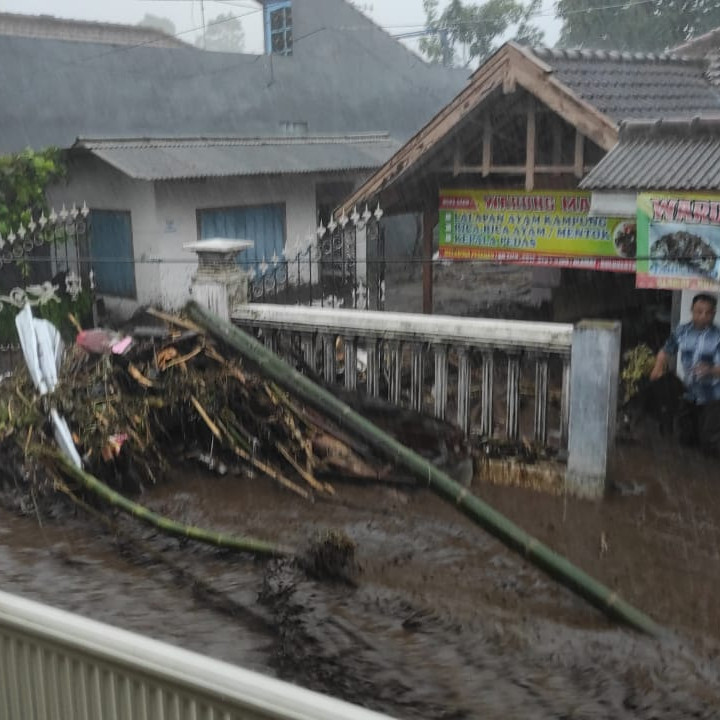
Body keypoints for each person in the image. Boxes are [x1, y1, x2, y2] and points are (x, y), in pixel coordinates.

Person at [650, 293, 720, 455]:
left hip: (713, 396)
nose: (703, 316)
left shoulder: (717, 338)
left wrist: (709, 370)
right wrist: (658, 367)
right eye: (699, 311)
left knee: (709, 439)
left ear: (714, 313)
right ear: (691, 310)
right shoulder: (682, 331)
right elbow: (666, 350)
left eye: (708, 313)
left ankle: (710, 474)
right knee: (685, 438)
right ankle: (690, 472)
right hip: (689, 392)